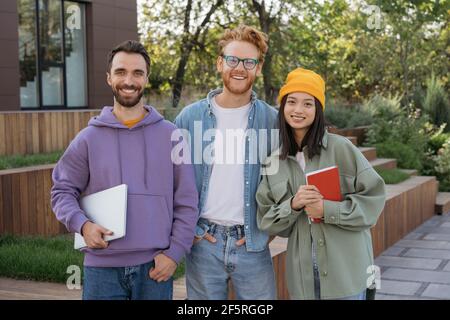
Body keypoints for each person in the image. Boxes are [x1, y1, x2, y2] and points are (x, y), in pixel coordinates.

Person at [51, 40, 198, 300]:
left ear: (146, 78)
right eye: (120, 72)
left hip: (155, 267)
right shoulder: (88, 138)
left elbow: (187, 201)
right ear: (109, 78)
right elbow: (62, 190)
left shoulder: (171, 135)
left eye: (137, 73)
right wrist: (83, 225)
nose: (128, 80)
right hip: (101, 269)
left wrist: (175, 254)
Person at [256, 67, 386, 300]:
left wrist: (327, 210)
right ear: (283, 106)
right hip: (303, 280)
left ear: (318, 110)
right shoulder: (273, 161)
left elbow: (373, 202)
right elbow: (267, 220)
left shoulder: (341, 148)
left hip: (347, 274)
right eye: (292, 102)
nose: (298, 110)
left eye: (308, 104)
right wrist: (293, 205)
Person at [174, 25, 278, 300]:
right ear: (220, 63)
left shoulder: (273, 121)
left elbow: (284, 180)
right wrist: (190, 230)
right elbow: (171, 180)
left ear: (258, 67)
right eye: (232, 59)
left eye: (249, 61)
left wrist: (268, 230)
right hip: (203, 242)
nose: (239, 68)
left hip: (252, 243)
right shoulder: (189, 118)